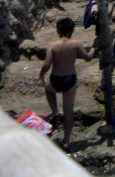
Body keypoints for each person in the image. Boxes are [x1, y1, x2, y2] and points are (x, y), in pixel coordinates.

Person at [39, 16, 98, 149]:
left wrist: (42, 76)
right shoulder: (76, 44)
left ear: (57, 31)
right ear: (72, 30)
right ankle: (66, 141)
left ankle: (54, 111)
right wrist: (94, 45)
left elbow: (47, 64)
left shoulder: (52, 45)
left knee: (49, 91)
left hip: (55, 78)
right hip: (70, 79)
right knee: (68, 112)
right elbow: (88, 58)